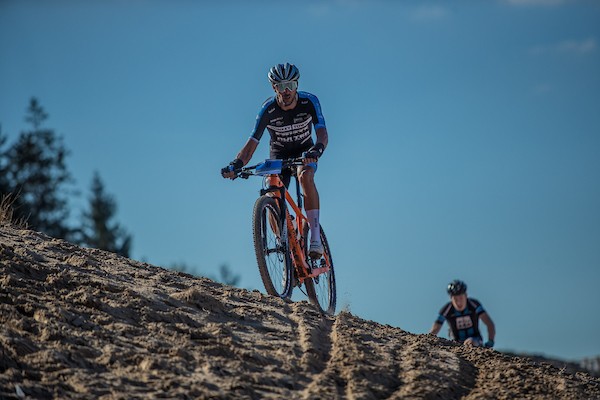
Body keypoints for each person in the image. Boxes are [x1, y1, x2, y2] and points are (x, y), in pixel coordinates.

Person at [221, 63, 329, 258]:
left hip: (305, 151)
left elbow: (322, 133)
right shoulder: (268, 109)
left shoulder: (309, 101)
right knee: (272, 189)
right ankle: (283, 244)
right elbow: (252, 142)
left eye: (290, 85)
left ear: (297, 84)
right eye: (280, 86)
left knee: (305, 176)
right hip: (279, 153)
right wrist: (236, 164)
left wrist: (317, 150)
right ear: (273, 88)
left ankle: (314, 238)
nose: (286, 90)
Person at [429, 279, 496, 348]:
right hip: (455, 343)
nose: (459, 302)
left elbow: (489, 323)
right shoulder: (446, 309)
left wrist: (490, 342)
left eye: (461, 298)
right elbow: (435, 329)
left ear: (466, 295)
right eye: (455, 299)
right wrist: (428, 341)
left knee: (471, 342)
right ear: (450, 298)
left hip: (475, 340)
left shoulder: (474, 305)